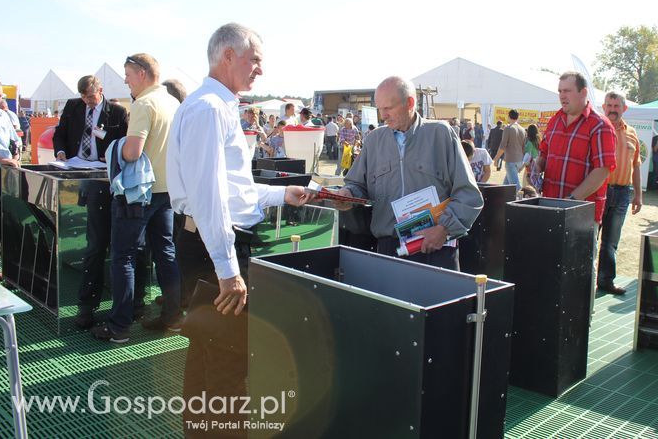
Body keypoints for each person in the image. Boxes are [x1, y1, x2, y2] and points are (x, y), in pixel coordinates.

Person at [167, 22, 313, 433]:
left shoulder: (214, 106)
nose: (260, 71)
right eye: (256, 61)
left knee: (208, 356)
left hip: (208, 243)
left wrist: (281, 196)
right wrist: (228, 271)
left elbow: (233, 189)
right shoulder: (210, 109)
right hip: (217, 251)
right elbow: (210, 197)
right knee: (228, 367)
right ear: (228, 56)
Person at [335, 76, 483, 270]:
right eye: (379, 109)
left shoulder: (441, 135)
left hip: (436, 249)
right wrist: (348, 194)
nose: (383, 116)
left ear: (410, 103)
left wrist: (444, 229)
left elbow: (469, 195)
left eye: (388, 108)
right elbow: (357, 185)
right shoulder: (374, 141)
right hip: (389, 251)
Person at [91, 53, 182, 343]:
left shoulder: (144, 103)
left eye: (128, 74)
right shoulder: (173, 102)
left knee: (123, 257)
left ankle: (119, 327)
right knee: (165, 254)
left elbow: (132, 152)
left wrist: (115, 146)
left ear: (142, 73)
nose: (126, 80)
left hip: (138, 194)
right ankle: (173, 317)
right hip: (166, 191)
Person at [53, 75, 129, 328]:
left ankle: (104, 303)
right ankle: (87, 304)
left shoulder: (117, 113)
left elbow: (123, 144)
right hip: (78, 173)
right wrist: (61, 151)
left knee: (104, 245)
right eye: (84, 97)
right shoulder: (74, 107)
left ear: (101, 91)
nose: (87, 102)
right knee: (93, 243)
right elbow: (60, 133)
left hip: (105, 181)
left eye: (91, 97)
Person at [535, 71, 616, 225]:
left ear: (583, 92)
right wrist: (537, 167)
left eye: (567, 91)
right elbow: (544, 153)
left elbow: (603, 170)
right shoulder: (554, 121)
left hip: (582, 217)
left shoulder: (600, 125)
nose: (562, 96)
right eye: (560, 91)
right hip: (549, 208)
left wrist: (570, 201)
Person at [596, 91, 642, 295]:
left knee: (611, 242)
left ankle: (606, 281)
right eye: (609, 105)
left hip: (623, 192)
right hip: (598, 191)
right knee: (589, 238)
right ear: (603, 107)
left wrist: (638, 195)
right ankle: (583, 281)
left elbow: (637, 165)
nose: (612, 110)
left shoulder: (632, 133)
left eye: (616, 106)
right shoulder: (596, 129)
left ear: (624, 108)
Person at [0, 79, 20, 281]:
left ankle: (2, 263)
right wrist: (3, 159)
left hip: (7, 172)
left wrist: (16, 156)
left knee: (4, 218)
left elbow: (15, 140)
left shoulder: (4, 115)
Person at [493, 109, 526, 192]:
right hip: (519, 160)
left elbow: (503, 146)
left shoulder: (508, 128)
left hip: (511, 161)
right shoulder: (522, 129)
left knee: (516, 188)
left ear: (508, 116)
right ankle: (502, 202)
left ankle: (523, 200)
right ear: (518, 117)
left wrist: (496, 159)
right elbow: (523, 147)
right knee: (505, 187)